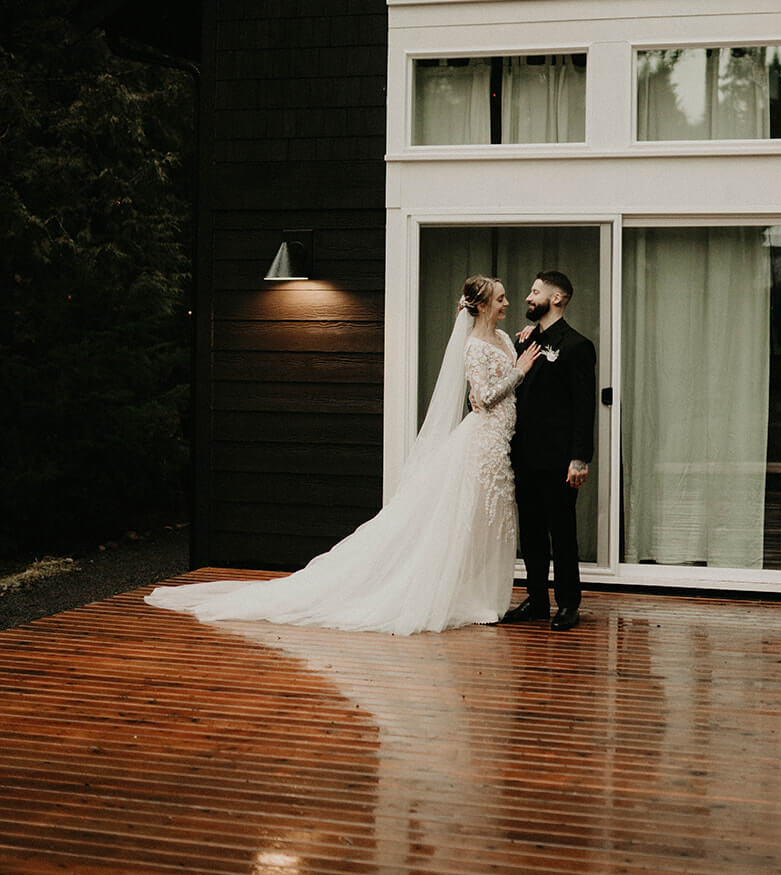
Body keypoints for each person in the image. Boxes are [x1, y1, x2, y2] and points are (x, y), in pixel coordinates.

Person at [145, 277, 540, 635]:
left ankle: (485, 597)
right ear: (483, 305)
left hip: (501, 442)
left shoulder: (505, 338)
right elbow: (483, 398)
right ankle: (456, 594)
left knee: (494, 518)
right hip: (482, 442)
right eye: (501, 298)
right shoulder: (472, 347)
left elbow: (509, 364)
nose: (507, 303)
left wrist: (520, 348)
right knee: (471, 517)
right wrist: (519, 372)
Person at [503, 271, 596, 632]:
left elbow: (583, 406)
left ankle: (568, 603)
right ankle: (537, 600)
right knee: (531, 532)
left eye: (535, 291)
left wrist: (579, 458)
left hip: (558, 459)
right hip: (523, 455)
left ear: (557, 298)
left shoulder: (576, 346)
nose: (528, 296)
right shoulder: (524, 342)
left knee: (562, 532)